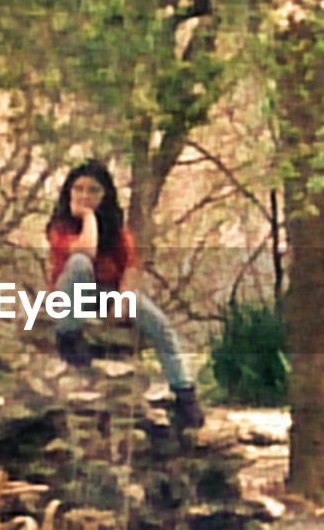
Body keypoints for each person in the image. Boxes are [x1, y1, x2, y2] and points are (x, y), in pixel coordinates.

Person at [45, 159, 205, 429]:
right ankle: (69, 336)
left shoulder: (118, 231)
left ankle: (184, 394)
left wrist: (122, 300)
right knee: (79, 264)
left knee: (161, 326)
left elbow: (131, 267)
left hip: (109, 293)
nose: (85, 196)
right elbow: (85, 251)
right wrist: (87, 217)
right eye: (79, 189)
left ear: (105, 194)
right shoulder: (59, 227)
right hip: (72, 295)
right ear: (68, 193)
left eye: (93, 190)